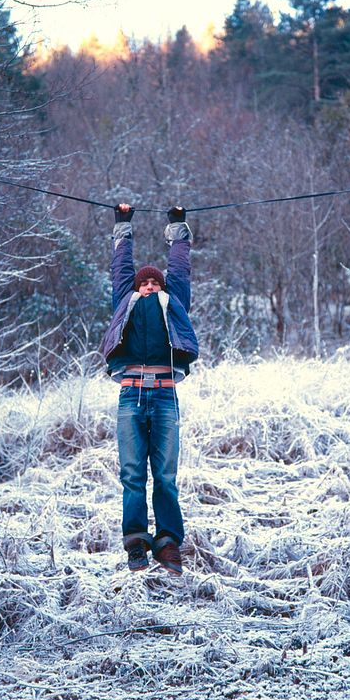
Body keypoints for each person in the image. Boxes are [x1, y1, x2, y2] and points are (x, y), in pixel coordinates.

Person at [99, 203, 199, 574]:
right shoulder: (125, 300)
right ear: (135, 287)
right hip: (130, 395)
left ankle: (169, 543)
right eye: (145, 282)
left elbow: (181, 267)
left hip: (165, 395)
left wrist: (177, 225)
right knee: (132, 473)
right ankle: (137, 544)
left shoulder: (173, 302)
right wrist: (123, 223)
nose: (151, 285)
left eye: (155, 282)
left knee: (166, 475)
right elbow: (121, 267)